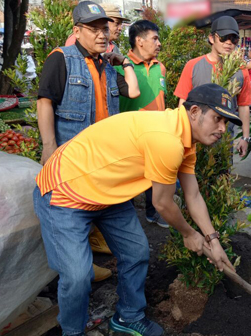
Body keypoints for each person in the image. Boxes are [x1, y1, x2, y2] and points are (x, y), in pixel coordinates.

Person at [33, 83, 239, 336]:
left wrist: (212, 239)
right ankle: (73, 331)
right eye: (218, 119)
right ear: (194, 111)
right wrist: (189, 234)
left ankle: (128, 316)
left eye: (226, 123)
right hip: (66, 189)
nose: (222, 129)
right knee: (77, 276)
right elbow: (162, 203)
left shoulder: (186, 140)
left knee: (136, 252)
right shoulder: (167, 140)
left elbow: (193, 194)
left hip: (108, 191)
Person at [37, 1, 139, 282]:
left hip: (104, 170)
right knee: (73, 237)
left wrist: (124, 61)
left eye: (105, 28)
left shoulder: (107, 68)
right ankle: (78, 274)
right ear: (76, 30)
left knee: (133, 247)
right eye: (94, 28)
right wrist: (49, 146)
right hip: (71, 168)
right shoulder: (61, 58)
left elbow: (132, 90)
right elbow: (45, 102)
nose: (102, 34)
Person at [115, 19, 169, 228]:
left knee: (155, 177)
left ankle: (152, 212)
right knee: (127, 178)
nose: (159, 43)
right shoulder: (120, 67)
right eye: (154, 38)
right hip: (129, 135)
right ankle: (122, 221)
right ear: (139, 41)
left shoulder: (160, 67)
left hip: (157, 134)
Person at [174, 15, 251, 156]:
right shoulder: (193, 66)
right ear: (212, 38)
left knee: (223, 173)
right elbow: (183, 103)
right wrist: (180, 134)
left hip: (224, 137)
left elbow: (244, 105)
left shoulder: (241, 71)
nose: (229, 43)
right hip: (195, 136)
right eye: (224, 37)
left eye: (234, 39)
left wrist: (245, 137)